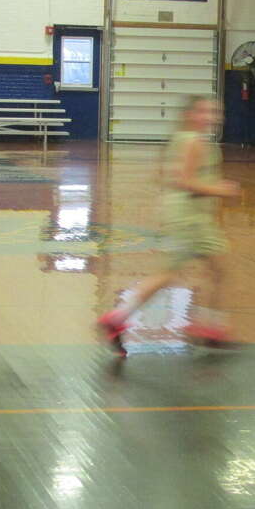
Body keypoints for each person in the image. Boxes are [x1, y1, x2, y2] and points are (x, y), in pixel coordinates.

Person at [97, 97, 240, 356]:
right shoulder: (194, 142)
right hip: (189, 220)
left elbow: (162, 175)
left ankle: (211, 327)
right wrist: (220, 189)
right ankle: (117, 317)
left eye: (215, 110)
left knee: (219, 270)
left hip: (193, 218)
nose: (213, 115)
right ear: (191, 115)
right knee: (169, 275)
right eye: (205, 111)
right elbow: (185, 181)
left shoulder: (183, 139)